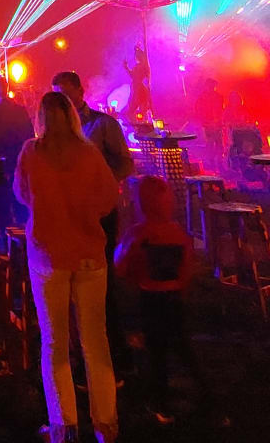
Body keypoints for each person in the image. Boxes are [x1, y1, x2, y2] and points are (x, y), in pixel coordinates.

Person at [14, 91, 120, 443]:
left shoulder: (31, 152)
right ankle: (105, 425)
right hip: (88, 254)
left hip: (47, 256)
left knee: (54, 342)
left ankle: (64, 426)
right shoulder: (89, 153)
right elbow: (109, 197)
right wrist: (85, 213)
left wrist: (47, 208)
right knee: (95, 341)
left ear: (41, 118)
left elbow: (21, 192)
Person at [116, 175, 217, 425]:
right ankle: (208, 399)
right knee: (184, 348)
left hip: (150, 300)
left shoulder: (138, 233)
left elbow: (120, 266)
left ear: (140, 203)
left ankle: (161, 405)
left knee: (156, 352)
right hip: (175, 299)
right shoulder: (178, 233)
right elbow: (187, 269)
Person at [53, 71, 133, 379]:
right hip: (71, 214)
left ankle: (117, 355)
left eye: (65, 92)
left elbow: (125, 162)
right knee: (77, 282)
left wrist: (104, 184)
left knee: (102, 281)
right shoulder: (58, 129)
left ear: (79, 91)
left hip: (100, 212)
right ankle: (84, 355)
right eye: (57, 94)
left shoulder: (102, 124)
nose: (62, 99)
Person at [0, 75, 34, 238]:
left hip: (0, 165)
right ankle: (24, 239)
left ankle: (7, 243)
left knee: (3, 206)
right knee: (20, 203)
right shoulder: (20, 110)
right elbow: (30, 137)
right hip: (19, 162)